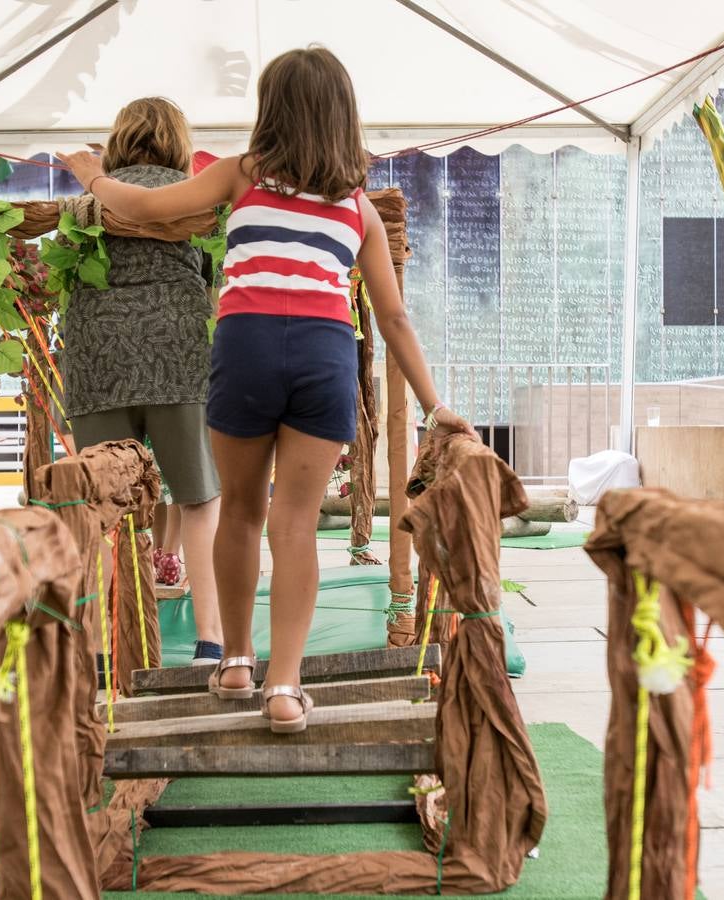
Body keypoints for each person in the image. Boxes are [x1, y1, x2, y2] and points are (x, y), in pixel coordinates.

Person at [60, 47, 473, 733]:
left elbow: (148, 208)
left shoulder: (242, 175)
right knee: (296, 526)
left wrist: (94, 177)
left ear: (269, 110)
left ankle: (236, 661)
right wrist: (435, 406)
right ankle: (284, 688)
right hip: (324, 352)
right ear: (344, 117)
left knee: (243, 514)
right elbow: (393, 315)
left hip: (247, 344)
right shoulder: (358, 208)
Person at [62, 96, 224, 664]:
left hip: (97, 357)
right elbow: (215, 274)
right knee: (199, 499)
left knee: (102, 502)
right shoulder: (196, 198)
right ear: (180, 143)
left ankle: (103, 642)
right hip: (175, 354)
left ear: (118, 139)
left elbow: (64, 266)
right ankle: (211, 638)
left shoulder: (88, 195)